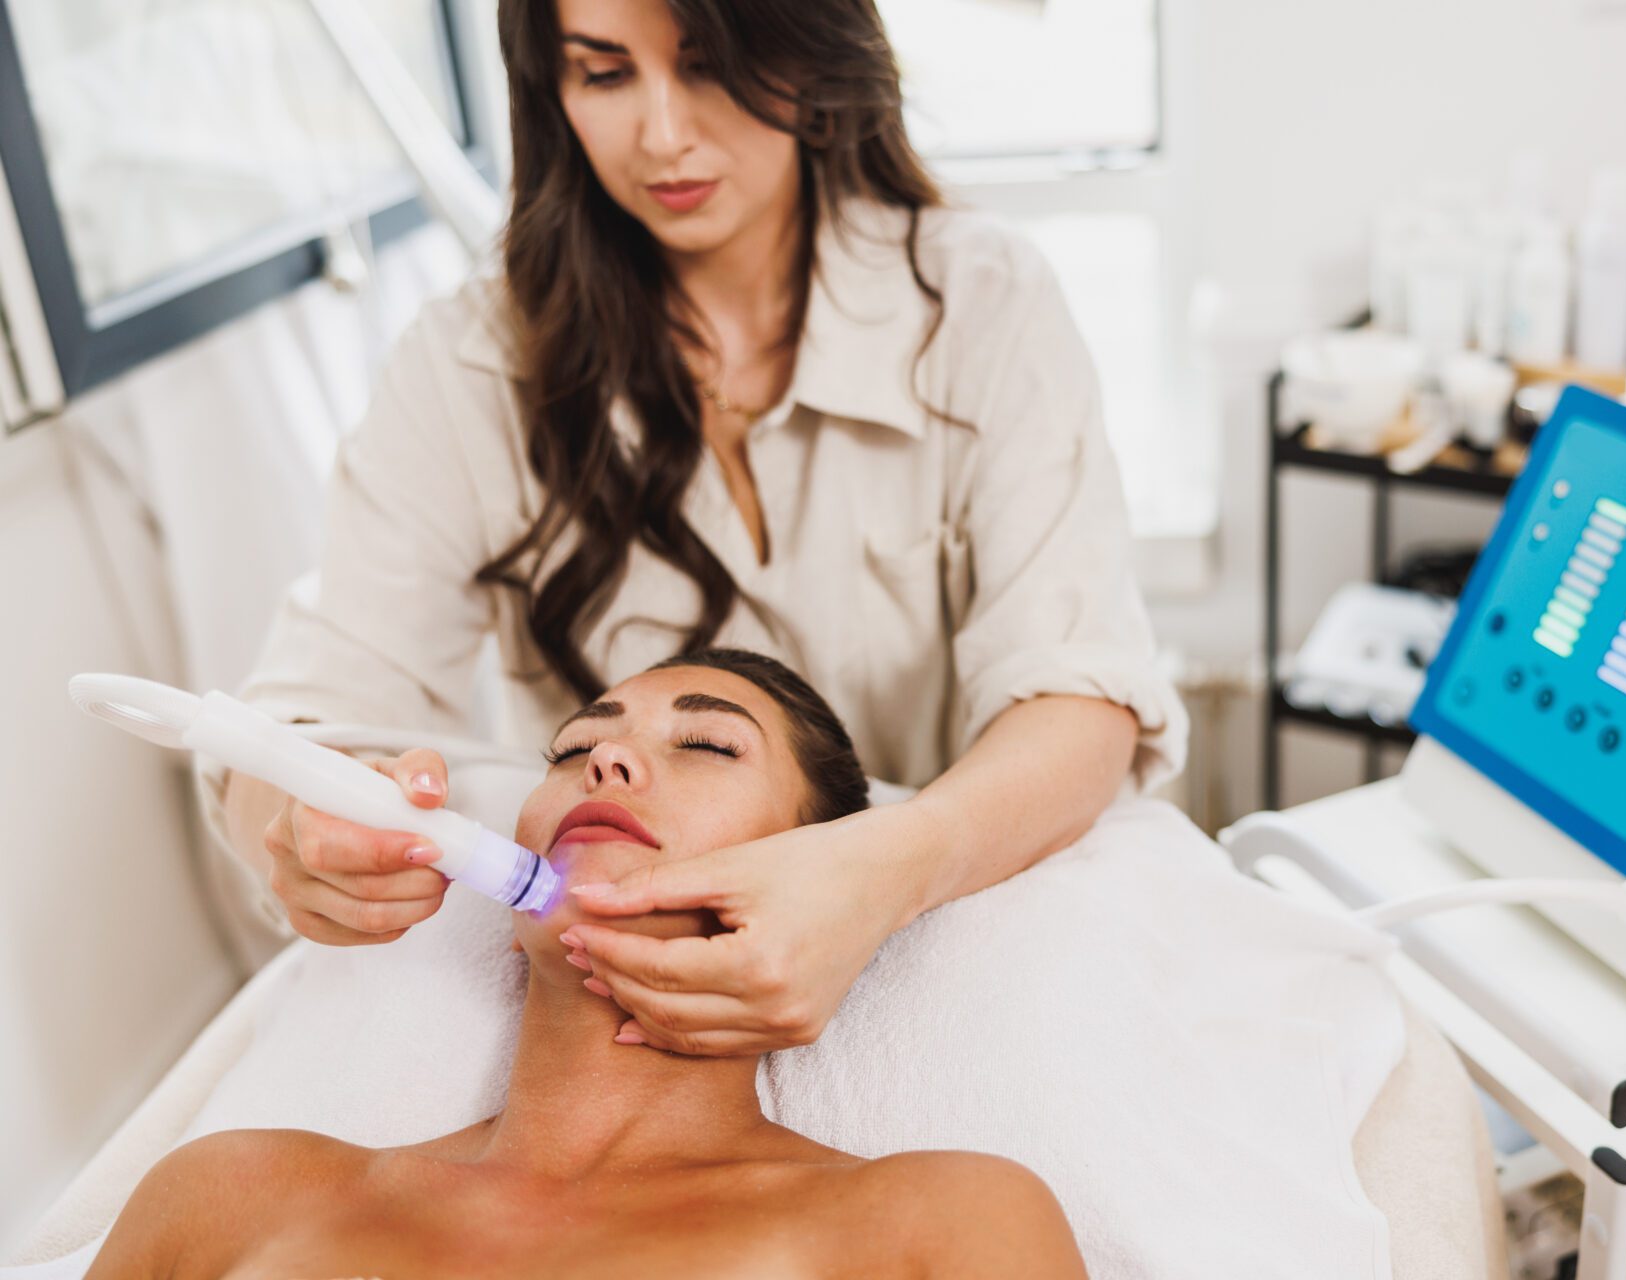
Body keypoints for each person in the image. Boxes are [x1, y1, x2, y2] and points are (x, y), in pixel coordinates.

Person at [205, 0, 1186, 1058]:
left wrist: (889, 871)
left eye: (711, 64)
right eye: (605, 73)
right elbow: (311, 711)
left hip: (947, 942)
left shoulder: (979, 302)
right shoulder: (468, 367)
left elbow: (1080, 695)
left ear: (812, 50)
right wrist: (302, 834)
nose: (663, 134)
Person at [95, 651, 1088, 1279]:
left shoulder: (947, 1221)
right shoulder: (229, 1194)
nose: (604, 763)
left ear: (827, 875)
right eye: (572, 749)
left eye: (706, 743)